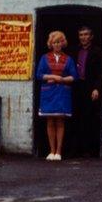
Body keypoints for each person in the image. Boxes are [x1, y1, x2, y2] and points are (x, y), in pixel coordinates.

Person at [36, 30, 77, 160]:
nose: (57, 44)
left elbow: (74, 76)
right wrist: (53, 76)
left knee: (60, 122)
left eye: (59, 42)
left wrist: (62, 80)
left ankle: (59, 152)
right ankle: (51, 151)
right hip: (48, 93)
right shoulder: (44, 58)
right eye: (55, 42)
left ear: (63, 43)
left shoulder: (68, 59)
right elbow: (39, 75)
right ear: (51, 44)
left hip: (62, 93)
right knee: (50, 121)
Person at [69, 25, 102, 158]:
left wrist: (97, 88)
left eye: (86, 34)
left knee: (89, 118)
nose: (83, 37)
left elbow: (100, 72)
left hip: (90, 87)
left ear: (91, 36)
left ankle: (89, 150)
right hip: (76, 85)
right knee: (75, 117)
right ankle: (74, 149)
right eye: (81, 35)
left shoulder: (97, 51)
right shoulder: (74, 50)